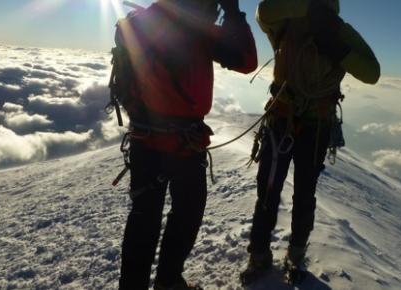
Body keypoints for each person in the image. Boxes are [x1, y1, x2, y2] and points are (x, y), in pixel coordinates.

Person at [113, 0, 257, 289]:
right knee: (187, 213)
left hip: (146, 140)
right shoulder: (199, 31)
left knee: (144, 218)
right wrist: (233, 13)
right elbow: (246, 60)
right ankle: (168, 281)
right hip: (184, 144)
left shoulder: (144, 22)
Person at [240, 0, 380, 284]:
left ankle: (290, 257)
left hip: (303, 125)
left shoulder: (333, 30)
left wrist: (333, 44)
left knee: (296, 194)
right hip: (294, 123)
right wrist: (310, 13)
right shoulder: (290, 19)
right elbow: (263, 11)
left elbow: (372, 73)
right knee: (276, 192)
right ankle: (264, 255)